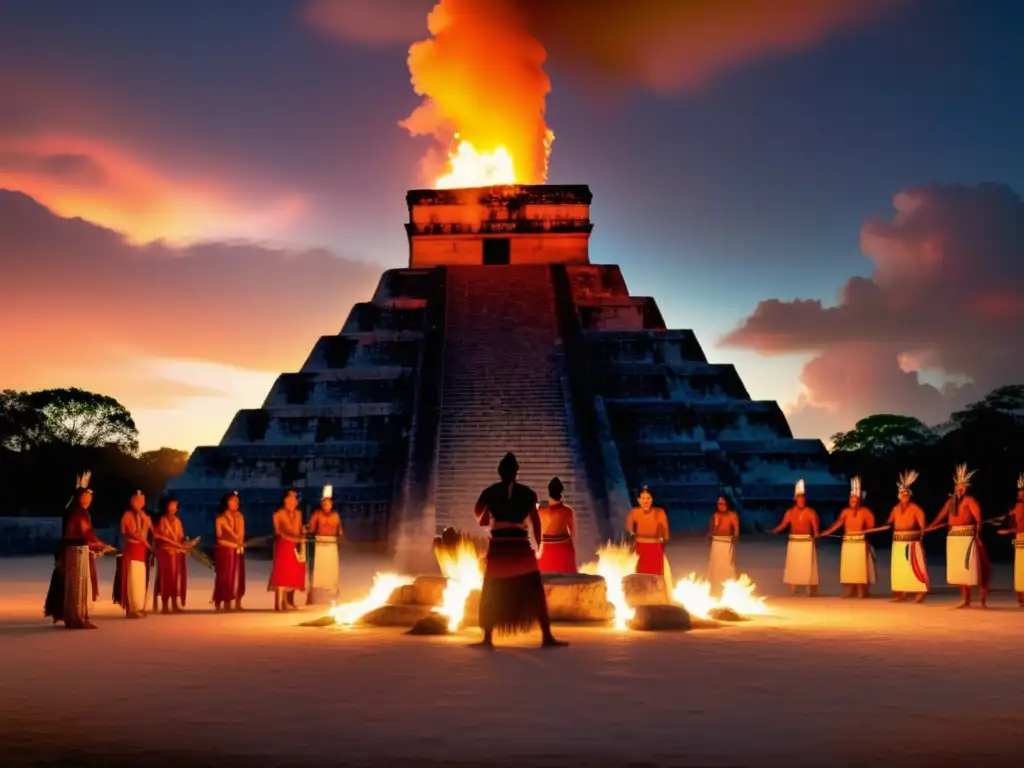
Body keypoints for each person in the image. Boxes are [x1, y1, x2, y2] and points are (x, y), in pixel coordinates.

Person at [473, 452, 566, 649]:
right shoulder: (527, 493)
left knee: (493, 588)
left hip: (500, 545)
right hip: (520, 546)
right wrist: (539, 543)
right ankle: (546, 636)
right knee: (533, 590)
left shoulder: (490, 492)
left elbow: (478, 513)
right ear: (517, 472)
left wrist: (489, 518)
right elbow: (535, 520)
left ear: (500, 472)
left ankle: (488, 637)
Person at [44, 472, 115, 629]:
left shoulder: (77, 512)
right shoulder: (79, 513)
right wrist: (100, 546)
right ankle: (78, 617)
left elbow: (87, 534)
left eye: (90, 496)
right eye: (87, 495)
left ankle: (75, 616)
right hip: (77, 552)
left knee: (76, 585)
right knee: (79, 585)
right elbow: (85, 534)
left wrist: (99, 545)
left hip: (76, 551)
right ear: (80, 497)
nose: (90, 499)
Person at [931, 463, 990, 609]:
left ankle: (982, 600)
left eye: (963, 486)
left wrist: (977, 534)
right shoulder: (951, 502)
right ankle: (966, 600)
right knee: (959, 570)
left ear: (966, 488)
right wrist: (929, 527)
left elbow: (978, 519)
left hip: (968, 538)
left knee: (975, 568)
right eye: (958, 486)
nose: (960, 488)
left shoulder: (970, 501)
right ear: (955, 488)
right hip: (953, 538)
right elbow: (941, 516)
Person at [821, 477, 877, 598]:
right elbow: (838, 524)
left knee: (860, 568)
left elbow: (871, 526)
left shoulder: (865, 512)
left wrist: (867, 532)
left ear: (858, 500)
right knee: (849, 567)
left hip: (860, 542)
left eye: (854, 499)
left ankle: (862, 590)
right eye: (851, 499)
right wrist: (827, 531)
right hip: (848, 542)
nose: (852, 501)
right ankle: (849, 589)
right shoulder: (845, 512)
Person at [771, 479, 820, 596]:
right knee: (794, 565)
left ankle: (809, 589)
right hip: (794, 541)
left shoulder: (810, 512)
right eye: (799, 498)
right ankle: (793, 588)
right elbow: (783, 525)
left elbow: (816, 529)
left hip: (806, 542)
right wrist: (774, 530)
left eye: (803, 498)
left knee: (807, 566)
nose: (801, 500)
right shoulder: (790, 513)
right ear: (795, 499)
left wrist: (817, 534)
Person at [887, 470, 930, 602]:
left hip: (912, 543)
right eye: (902, 494)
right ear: (898, 496)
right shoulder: (895, 509)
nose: (904, 496)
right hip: (898, 542)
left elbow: (923, 527)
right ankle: (903, 594)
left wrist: (921, 543)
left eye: (906, 495)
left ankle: (920, 592)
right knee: (900, 569)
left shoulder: (916, 509)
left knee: (915, 567)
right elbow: (889, 522)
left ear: (909, 496)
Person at [153, 497, 196, 614]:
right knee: (167, 578)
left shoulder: (177, 521)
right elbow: (158, 537)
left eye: (175, 506)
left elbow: (180, 537)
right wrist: (172, 543)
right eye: (172, 505)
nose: (174, 508)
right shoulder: (162, 520)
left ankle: (174, 603)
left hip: (176, 553)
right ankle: (165, 604)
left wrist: (185, 543)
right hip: (166, 553)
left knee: (175, 578)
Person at [115, 490, 153, 618]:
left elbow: (149, 531)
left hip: (141, 551)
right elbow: (134, 533)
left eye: (142, 500)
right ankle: (132, 608)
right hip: (132, 550)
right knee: (133, 579)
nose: (141, 502)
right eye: (138, 500)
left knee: (141, 578)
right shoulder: (127, 515)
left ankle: (139, 606)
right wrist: (148, 544)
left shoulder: (143, 515)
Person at [269, 489, 306, 611]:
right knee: (282, 573)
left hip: (296, 546)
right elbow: (277, 531)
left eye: (295, 498)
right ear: (284, 499)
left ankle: (287, 601)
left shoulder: (299, 514)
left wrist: (302, 535)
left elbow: (300, 529)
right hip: (283, 546)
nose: (293, 501)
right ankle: (278, 603)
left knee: (294, 572)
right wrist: (290, 537)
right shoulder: (278, 514)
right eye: (290, 498)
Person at [306, 484, 343, 605]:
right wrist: (304, 531)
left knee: (331, 571)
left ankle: (333, 595)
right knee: (318, 571)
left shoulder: (335, 515)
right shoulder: (317, 514)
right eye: (324, 503)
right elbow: (311, 529)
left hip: (332, 544)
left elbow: (339, 530)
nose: (326, 505)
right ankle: (312, 596)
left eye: (328, 503)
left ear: (331, 504)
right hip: (320, 544)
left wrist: (340, 539)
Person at [625, 486, 671, 581]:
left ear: (652, 499)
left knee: (656, 575)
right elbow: (629, 529)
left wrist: (661, 537)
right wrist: (632, 536)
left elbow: (664, 530)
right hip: (639, 547)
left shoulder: (659, 512)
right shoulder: (634, 512)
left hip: (655, 547)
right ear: (638, 500)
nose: (645, 501)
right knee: (640, 574)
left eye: (648, 498)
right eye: (643, 498)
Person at [213, 491, 246, 611]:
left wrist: (239, 541)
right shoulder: (220, 518)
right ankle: (223, 600)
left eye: (237, 501)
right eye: (233, 501)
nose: (236, 503)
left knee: (239, 575)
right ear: (227, 502)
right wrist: (232, 543)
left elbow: (241, 534)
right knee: (225, 576)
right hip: (225, 551)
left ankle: (237, 600)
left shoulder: (240, 516)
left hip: (237, 550)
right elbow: (219, 537)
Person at [536, 477, 577, 574]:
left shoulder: (540, 511)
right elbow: (572, 532)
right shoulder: (567, 511)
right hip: (563, 548)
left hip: (547, 548)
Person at [997, 473, 1024, 607]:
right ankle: (1021, 598)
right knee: (1019, 570)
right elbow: (1007, 517)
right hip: (1018, 541)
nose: (1020, 496)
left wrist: (1008, 531)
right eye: (1019, 494)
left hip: (1021, 538)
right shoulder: (1017, 507)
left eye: (1022, 494)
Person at [707, 495, 739, 592]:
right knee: (715, 564)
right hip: (716, 542)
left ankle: (728, 587)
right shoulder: (715, 515)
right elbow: (712, 531)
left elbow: (736, 530)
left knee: (726, 564)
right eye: (718, 504)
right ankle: (716, 588)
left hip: (727, 542)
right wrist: (717, 524)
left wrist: (734, 541)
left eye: (721, 503)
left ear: (727, 504)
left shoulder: (732, 515)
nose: (719, 506)